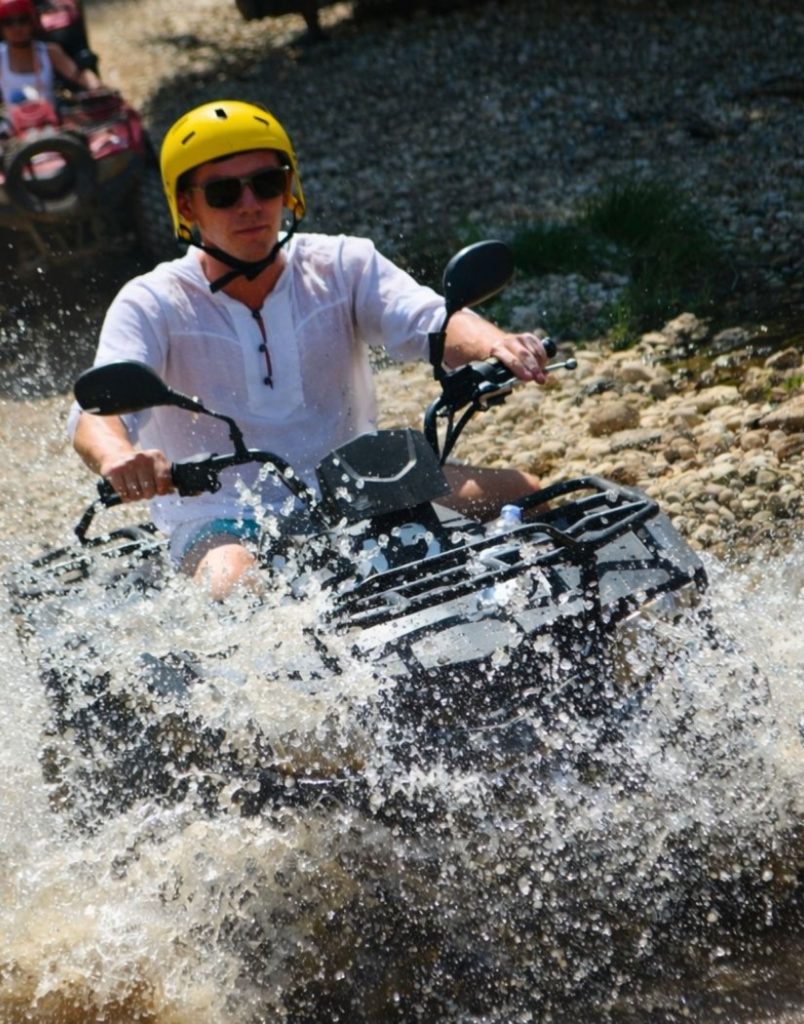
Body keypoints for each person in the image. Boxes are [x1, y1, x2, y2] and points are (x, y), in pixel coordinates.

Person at [70, 99, 551, 599]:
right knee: (235, 587)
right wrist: (119, 459)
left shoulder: (344, 262)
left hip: (365, 484)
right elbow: (95, 412)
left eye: (267, 183)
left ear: (290, 188)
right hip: (224, 514)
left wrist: (497, 345)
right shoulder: (152, 301)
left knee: (532, 495)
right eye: (223, 192)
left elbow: (432, 321)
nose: (250, 204)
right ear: (186, 207)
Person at [0, 0, 101, 109]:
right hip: (13, 125)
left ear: (33, 22)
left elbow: (79, 76)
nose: (17, 28)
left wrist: (95, 85)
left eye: (23, 20)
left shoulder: (49, 51)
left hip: (52, 123)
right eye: (8, 22)